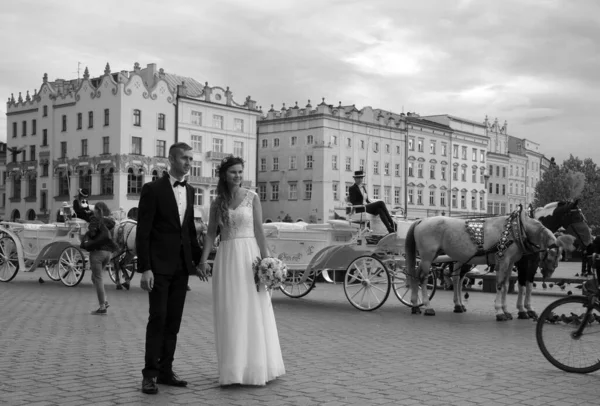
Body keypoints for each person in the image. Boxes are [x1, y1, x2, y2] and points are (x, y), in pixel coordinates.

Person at [198, 155, 285, 386]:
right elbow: (210, 234)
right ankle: (234, 369)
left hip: (249, 256)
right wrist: (203, 260)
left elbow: (258, 230)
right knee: (231, 310)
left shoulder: (252, 197)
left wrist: (267, 262)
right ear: (224, 175)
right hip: (226, 258)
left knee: (252, 309)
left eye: (240, 171)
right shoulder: (217, 203)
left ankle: (257, 367)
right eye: (233, 172)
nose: (237, 176)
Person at [136, 142, 204, 395]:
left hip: (180, 268)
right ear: (172, 160)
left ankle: (166, 371)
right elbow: (143, 232)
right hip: (158, 267)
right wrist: (145, 268)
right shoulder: (152, 189)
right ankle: (149, 375)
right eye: (185, 158)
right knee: (158, 319)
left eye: (190, 158)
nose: (189, 162)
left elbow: (187, 230)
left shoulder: (190, 190)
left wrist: (198, 262)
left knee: (173, 322)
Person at [83, 201, 118, 315]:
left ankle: (102, 306)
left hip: (97, 253)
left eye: (95, 209)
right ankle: (105, 301)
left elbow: (92, 234)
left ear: (98, 210)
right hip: (108, 253)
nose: (93, 211)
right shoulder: (110, 221)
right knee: (95, 278)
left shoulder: (95, 219)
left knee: (97, 278)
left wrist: (88, 232)